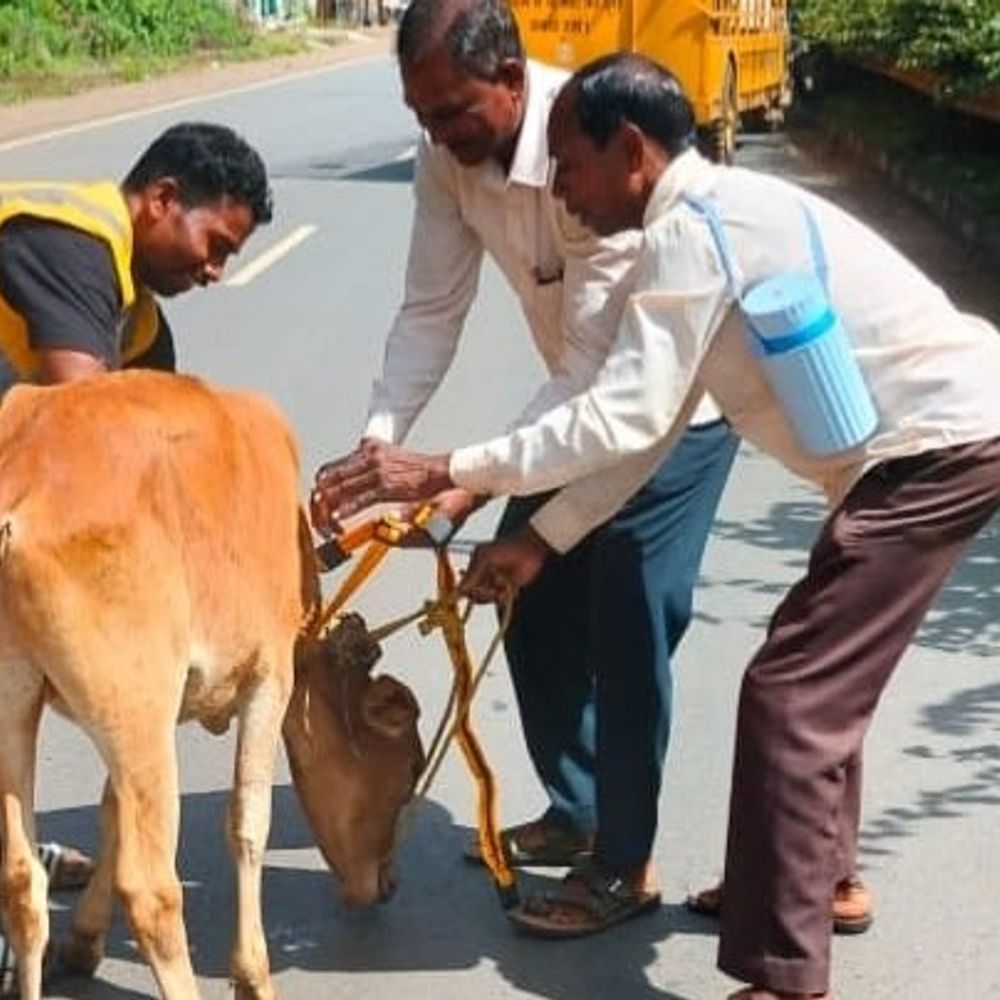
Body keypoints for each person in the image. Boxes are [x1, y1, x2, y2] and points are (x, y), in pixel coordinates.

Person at [322, 53, 1000, 998]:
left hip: (937, 447)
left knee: (793, 694)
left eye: (571, 166)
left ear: (632, 151)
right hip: (921, 448)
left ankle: (786, 976)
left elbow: (619, 418)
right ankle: (816, 882)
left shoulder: (693, 233)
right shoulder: (697, 225)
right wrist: (541, 540)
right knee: (816, 681)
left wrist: (449, 471)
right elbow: (650, 431)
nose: (560, 193)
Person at [311, 0, 741, 936]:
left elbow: (602, 373)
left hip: (671, 419)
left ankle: (622, 866)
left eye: (453, 112)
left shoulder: (591, 154)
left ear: (511, 79)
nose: (439, 135)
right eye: (421, 115)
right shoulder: (444, 157)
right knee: (526, 599)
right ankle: (579, 811)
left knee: (627, 630)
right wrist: (379, 448)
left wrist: (461, 478)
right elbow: (431, 308)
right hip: (570, 420)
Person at [0, 120, 272, 987]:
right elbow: (93, 427)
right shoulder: (66, 240)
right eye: (214, 244)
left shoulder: (139, 317)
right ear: (161, 200)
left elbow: (169, 458)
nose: (216, 271)